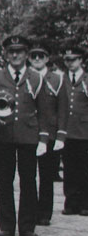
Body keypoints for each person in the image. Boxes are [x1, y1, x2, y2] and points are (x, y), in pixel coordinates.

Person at [0, 35, 52, 236]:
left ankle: (27, 226)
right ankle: (7, 226)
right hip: (3, 134)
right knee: (5, 180)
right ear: (5, 54)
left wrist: (44, 139)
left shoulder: (36, 78)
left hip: (28, 135)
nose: (15, 55)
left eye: (19, 52)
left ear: (26, 54)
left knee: (28, 180)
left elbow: (44, 110)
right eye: (11, 52)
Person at [28, 40, 66, 225]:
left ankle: (44, 213)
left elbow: (63, 109)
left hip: (49, 133)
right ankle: (29, 210)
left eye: (40, 56)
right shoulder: (25, 77)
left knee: (46, 175)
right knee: (28, 175)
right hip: (28, 132)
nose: (36, 59)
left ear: (47, 59)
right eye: (33, 56)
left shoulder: (57, 80)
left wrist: (61, 135)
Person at [57, 45, 88, 216]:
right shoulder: (61, 79)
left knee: (84, 167)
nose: (70, 63)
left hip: (84, 130)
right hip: (67, 130)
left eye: (73, 59)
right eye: (67, 60)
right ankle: (70, 201)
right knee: (68, 167)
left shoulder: (86, 79)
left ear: (81, 60)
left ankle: (85, 202)